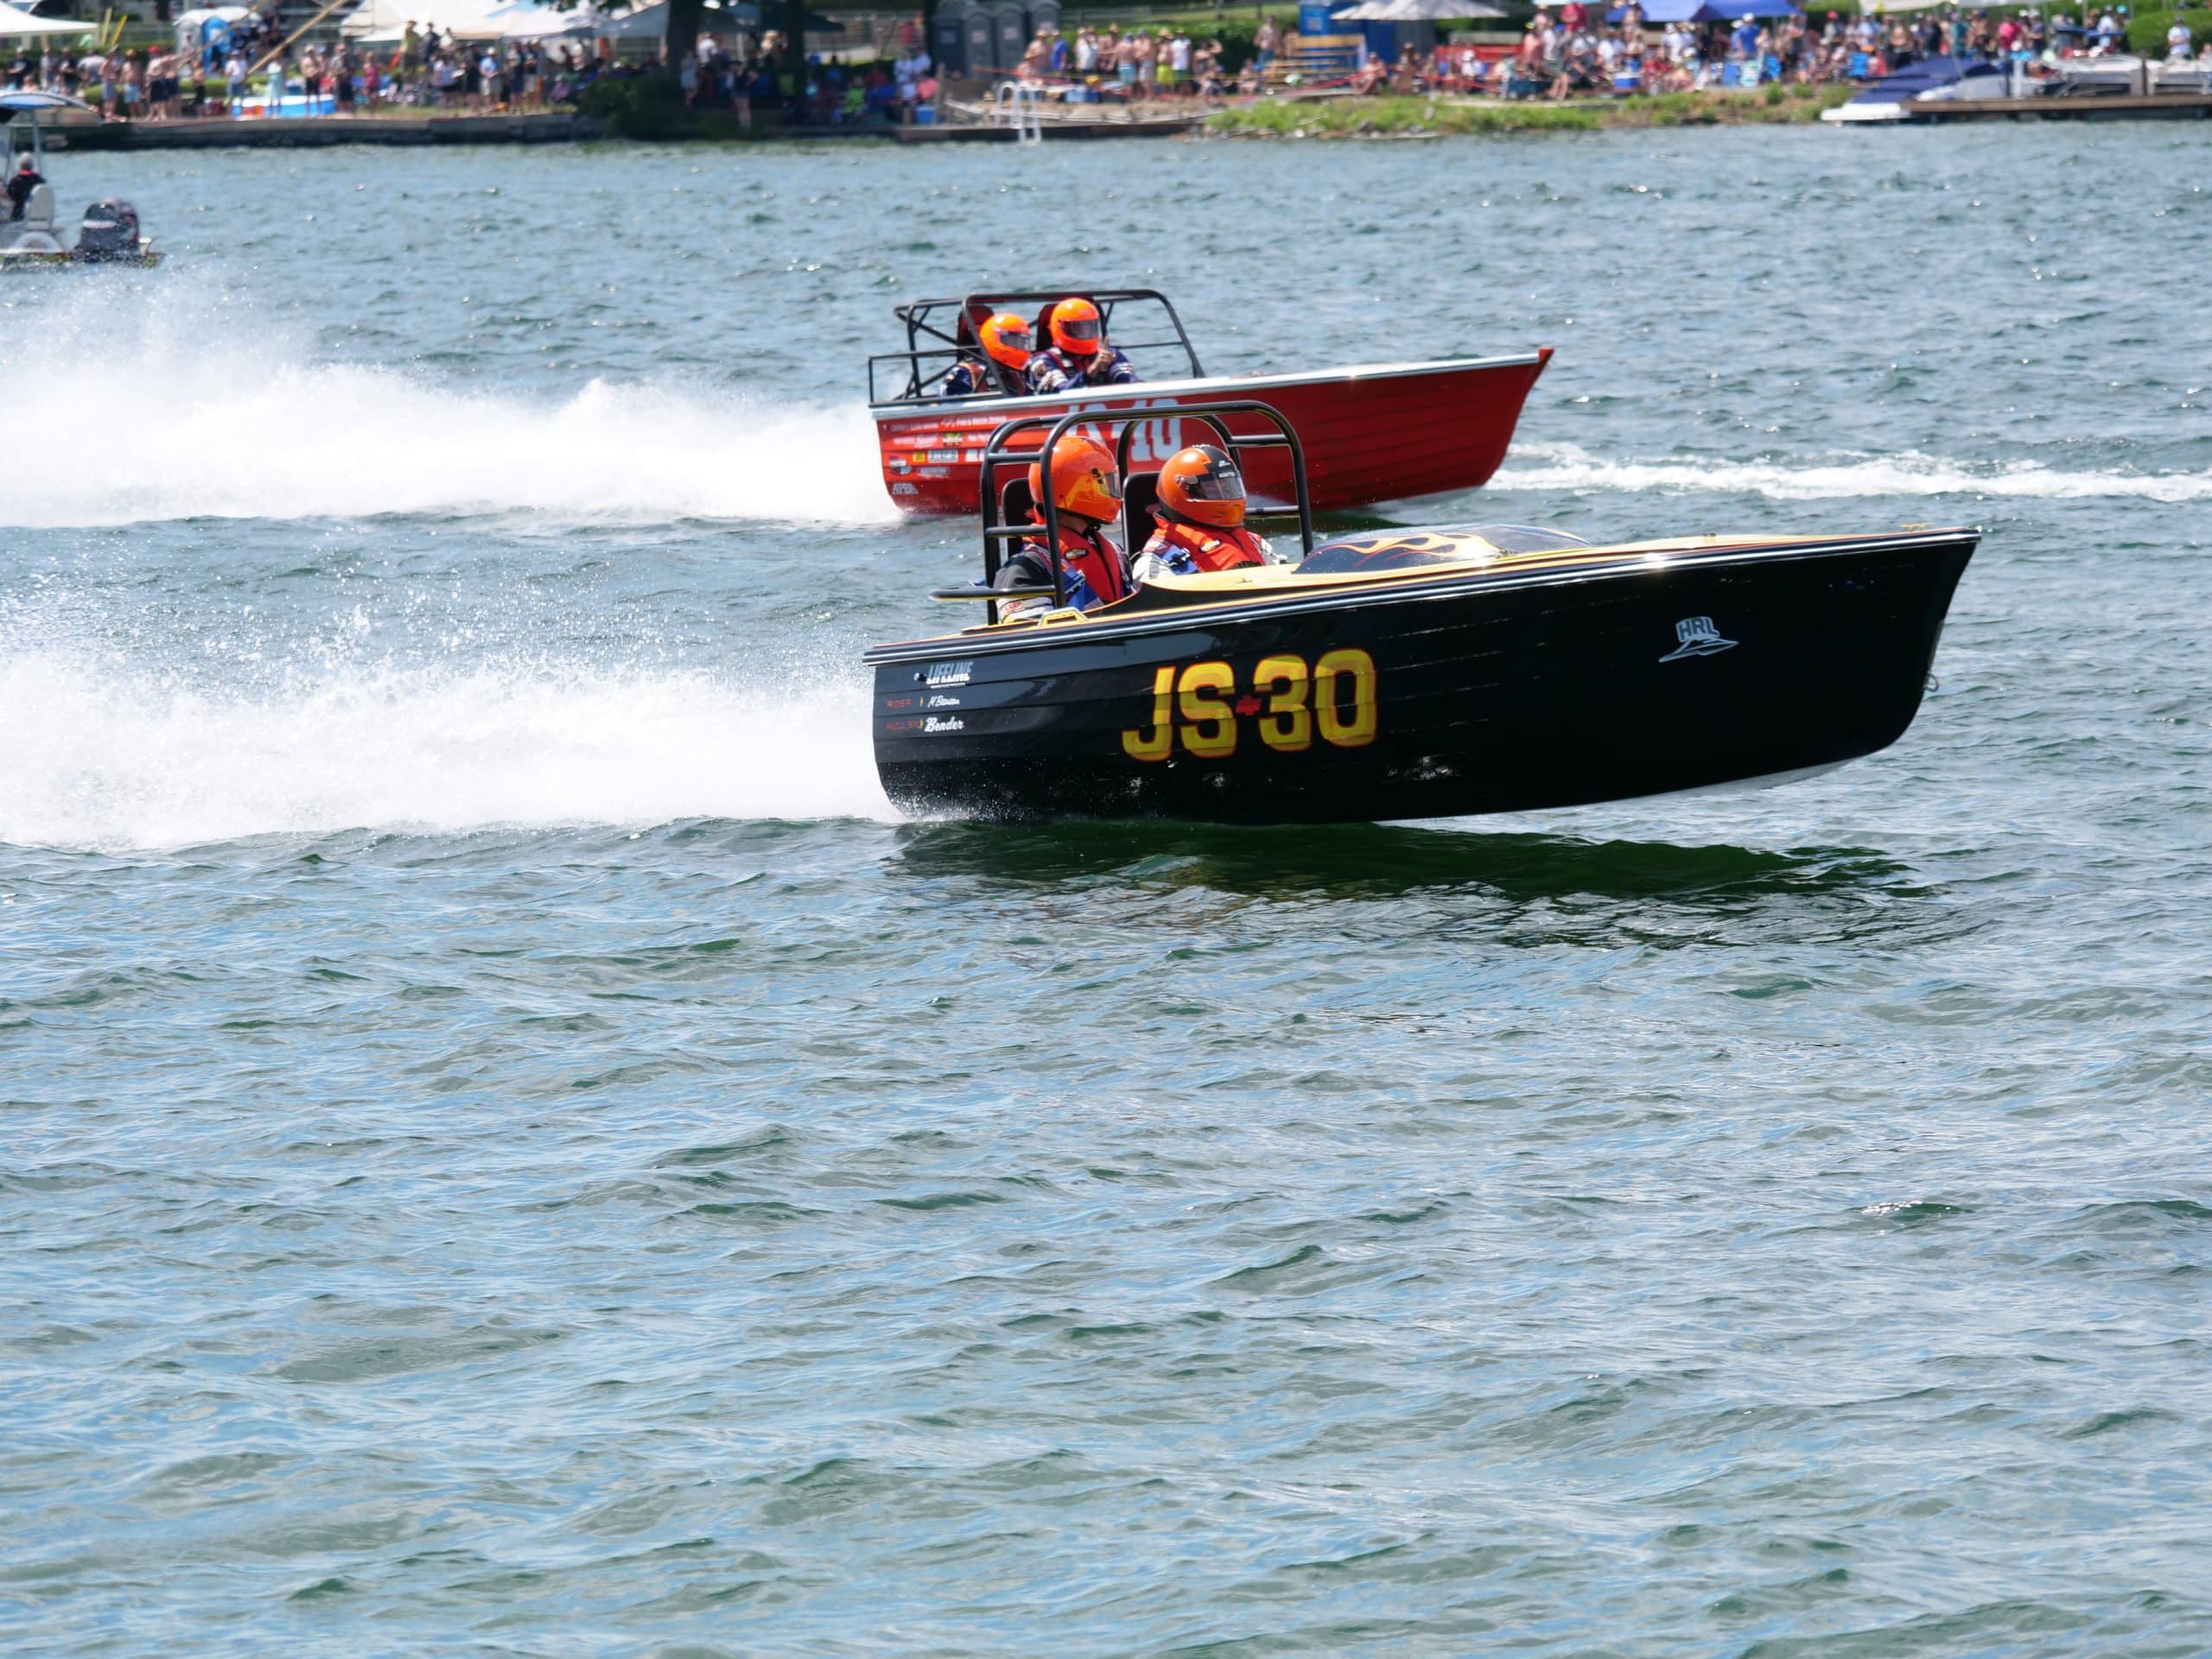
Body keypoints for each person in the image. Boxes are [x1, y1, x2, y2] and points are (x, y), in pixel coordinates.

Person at [995, 434, 1130, 617]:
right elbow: (1034, 641)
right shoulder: (1024, 571)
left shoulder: (1116, 552)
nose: (1112, 491)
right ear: (1082, 487)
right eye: (1105, 482)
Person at [1130, 445, 1282, 584]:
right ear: (1183, 489)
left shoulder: (1256, 543)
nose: (1226, 495)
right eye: (1213, 489)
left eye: (1228, 487)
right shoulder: (1155, 562)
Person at [1027, 297, 1139, 392]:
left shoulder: (1108, 354)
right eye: (1077, 328)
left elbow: (1131, 382)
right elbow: (1059, 395)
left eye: (1088, 327)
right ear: (1061, 327)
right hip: (1066, 418)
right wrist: (1091, 372)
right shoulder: (1043, 362)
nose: (1084, 333)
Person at [945, 312, 1032, 396]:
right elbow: (950, 406)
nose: (1016, 346)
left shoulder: (1015, 374)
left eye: (1020, 342)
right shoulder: (964, 373)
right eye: (1012, 341)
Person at [7, 153, 42, 220]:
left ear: (20, 165)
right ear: (32, 165)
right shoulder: (40, 180)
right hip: (37, 217)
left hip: (19, 217)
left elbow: (10, 200)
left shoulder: (15, 181)